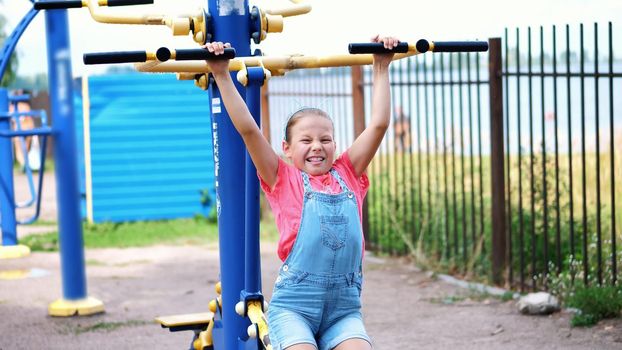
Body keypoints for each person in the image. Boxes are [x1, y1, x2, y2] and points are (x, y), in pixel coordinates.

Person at [205, 35, 399, 350]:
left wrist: (381, 66)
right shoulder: (282, 177)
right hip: (294, 308)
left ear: (335, 145)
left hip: (343, 310)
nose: (317, 146)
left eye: (325, 139)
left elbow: (378, 124)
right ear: (287, 148)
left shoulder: (349, 173)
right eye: (305, 140)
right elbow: (249, 129)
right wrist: (221, 73)